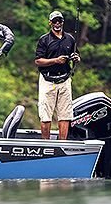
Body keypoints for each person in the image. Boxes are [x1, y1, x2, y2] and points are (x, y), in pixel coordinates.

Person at [34, 10, 80, 140]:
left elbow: (76, 54)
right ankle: (46, 144)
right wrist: (56, 60)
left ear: (63, 22)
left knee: (65, 115)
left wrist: (76, 58)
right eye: (54, 21)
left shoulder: (70, 39)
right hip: (47, 81)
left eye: (60, 21)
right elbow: (38, 61)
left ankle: (62, 144)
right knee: (45, 115)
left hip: (65, 80)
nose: (57, 23)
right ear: (50, 23)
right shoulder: (44, 40)